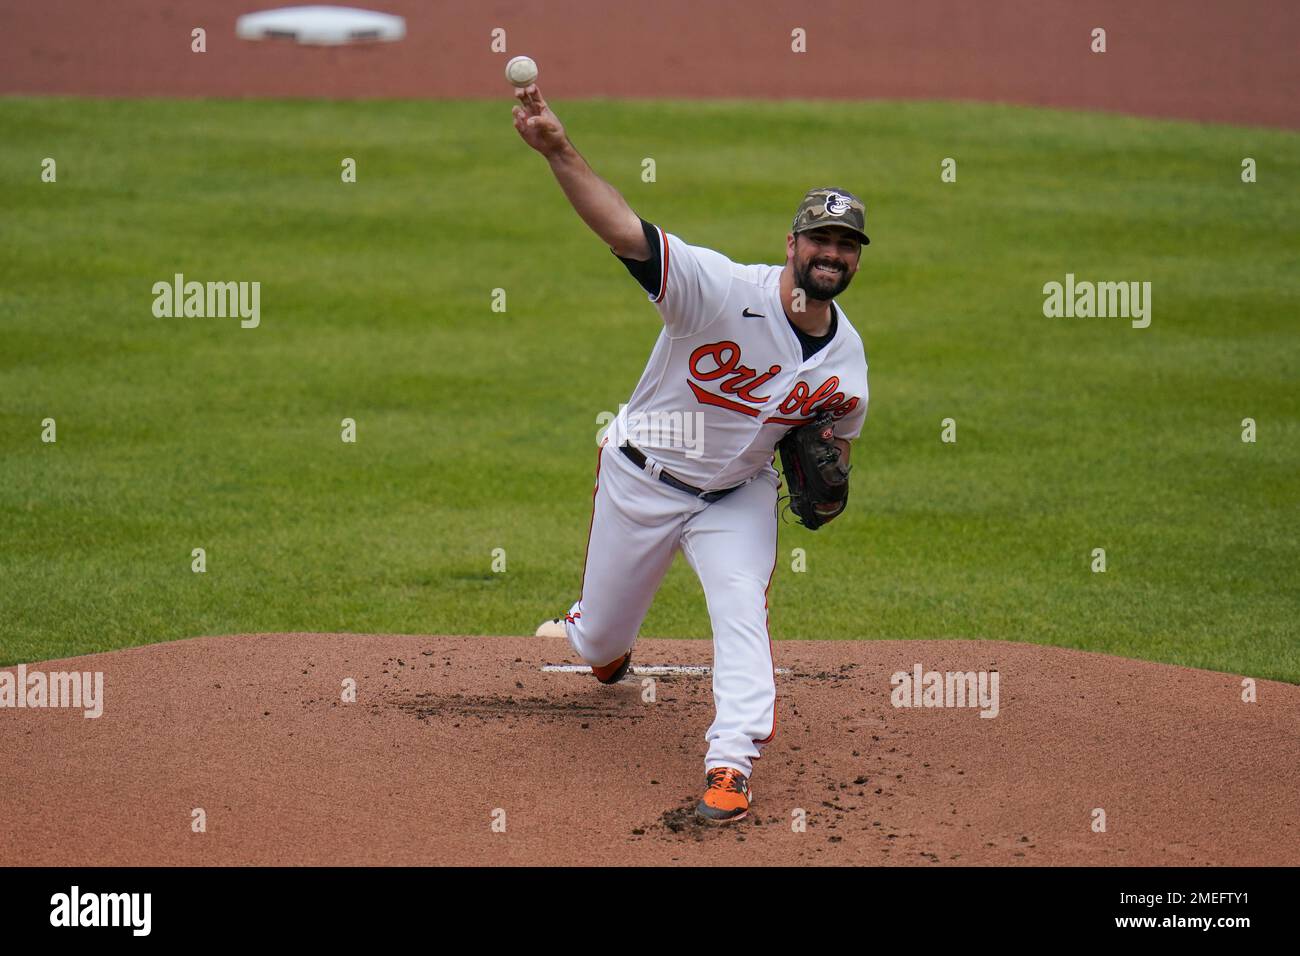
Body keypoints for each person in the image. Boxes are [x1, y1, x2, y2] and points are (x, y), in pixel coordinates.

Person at [513, 83, 870, 824]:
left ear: (855, 260)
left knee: (741, 609)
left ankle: (729, 764)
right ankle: (601, 643)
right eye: (821, 241)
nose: (832, 255)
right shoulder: (715, 289)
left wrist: (830, 486)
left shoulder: (849, 361)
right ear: (793, 245)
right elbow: (626, 232)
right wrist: (558, 150)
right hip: (641, 478)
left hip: (736, 498)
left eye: (846, 246)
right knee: (600, 642)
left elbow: (833, 457)